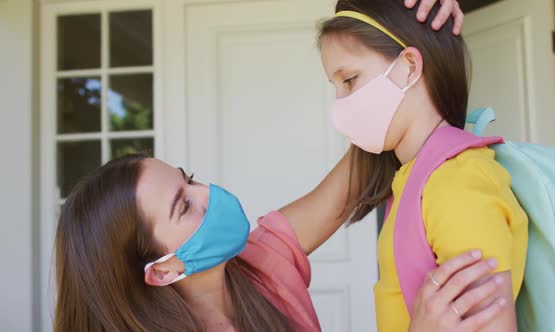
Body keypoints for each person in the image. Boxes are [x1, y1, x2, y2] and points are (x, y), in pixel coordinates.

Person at [54, 155, 507, 332]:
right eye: (184, 205)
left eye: (189, 180)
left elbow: (353, 179)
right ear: (163, 270)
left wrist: (400, 41)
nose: (208, 194)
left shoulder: (260, 264)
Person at [317, 0, 529, 331]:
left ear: (410, 66)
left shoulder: (456, 183)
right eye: (336, 87)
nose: (340, 104)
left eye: (349, 80)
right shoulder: (413, 177)